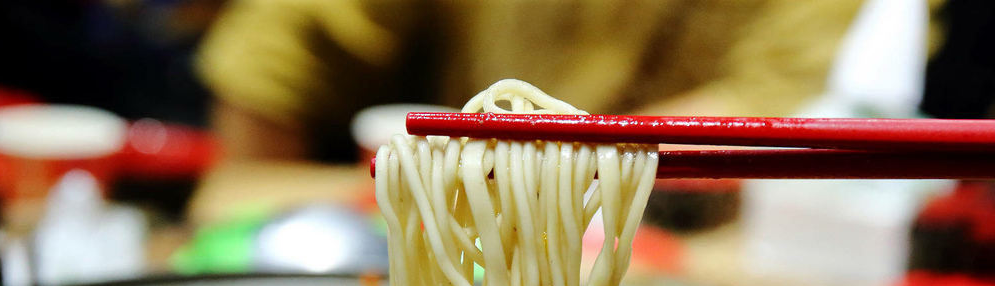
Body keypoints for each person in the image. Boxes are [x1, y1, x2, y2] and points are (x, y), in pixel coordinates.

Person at [197, 0, 935, 162]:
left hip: (690, 244)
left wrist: (556, 176)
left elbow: (786, 100)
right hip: (435, 214)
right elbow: (289, 41)